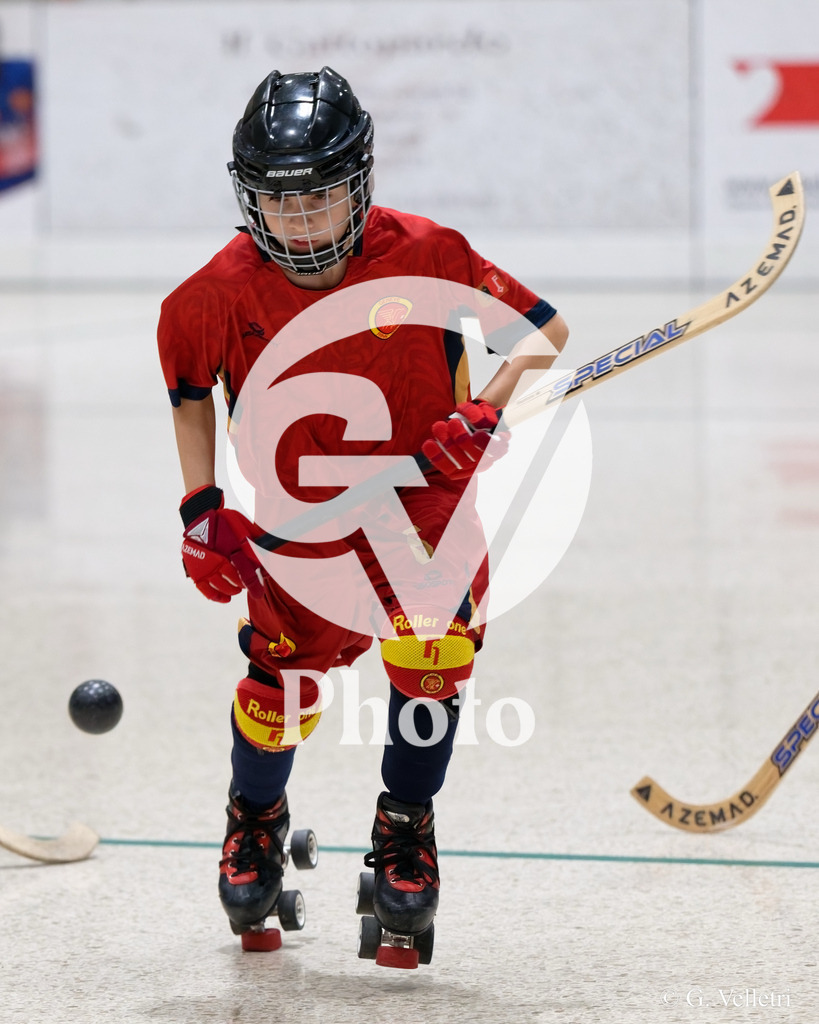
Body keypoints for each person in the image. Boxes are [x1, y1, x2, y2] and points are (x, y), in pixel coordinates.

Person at [157, 66, 568, 966]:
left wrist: (483, 411)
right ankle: (254, 816)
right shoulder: (211, 295)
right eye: (278, 203)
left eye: (321, 200)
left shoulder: (429, 251)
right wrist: (201, 508)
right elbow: (190, 392)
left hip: (425, 517)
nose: (300, 223)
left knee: (431, 663)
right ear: (249, 200)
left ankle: (405, 825)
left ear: (361, 183)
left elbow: (540, 333)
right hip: (302, 529)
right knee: (278, 694)